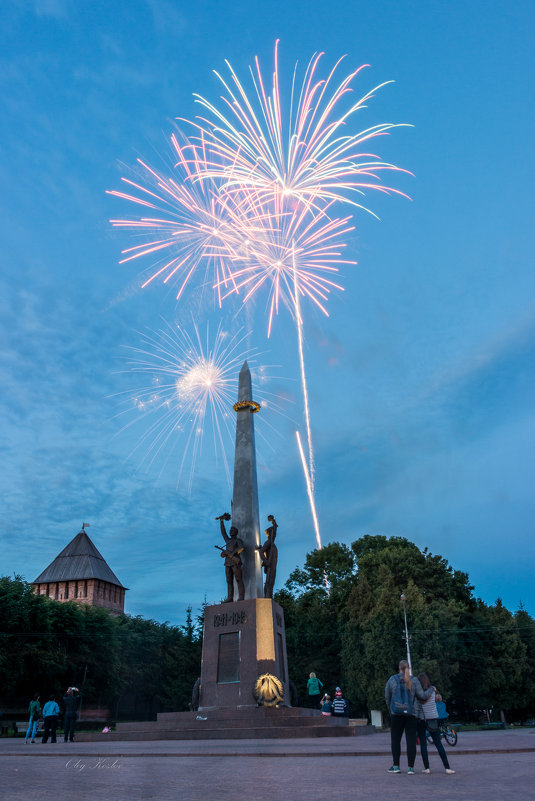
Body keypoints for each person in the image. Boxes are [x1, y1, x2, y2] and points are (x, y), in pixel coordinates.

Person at [384, 660, 434, 775]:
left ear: (399, 668)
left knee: (395, 740)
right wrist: (432, 688)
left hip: (396, 714)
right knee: (411, 741)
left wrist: (392, 711)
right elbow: (422, 695)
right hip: (411, 714)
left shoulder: (392, 679)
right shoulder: (414, 680)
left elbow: (387, 697)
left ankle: (396, 766)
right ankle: (410, 768)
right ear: (409, 668)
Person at [414, 673, 455, 774]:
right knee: (438, 744)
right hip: (432, 719)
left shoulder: (417, 693)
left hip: (421, 720)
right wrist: (433, 688)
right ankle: (447, 768)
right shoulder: (432, 691)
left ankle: (427, 768)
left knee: (423, 744)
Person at [216, 513, 245, 602]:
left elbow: (241, 548)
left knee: (238, 579)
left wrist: (233, 553)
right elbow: (223, 532)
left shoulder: (238, 540)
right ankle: (230, 598)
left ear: (236, 532)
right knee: (229, 581)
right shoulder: (228, 541)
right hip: (227, 562)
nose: (230, 531)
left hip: (235, 562)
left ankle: (241, 596)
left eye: (232, 530)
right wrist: (221, 521)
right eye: (230, 530)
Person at [256, 515, 278, 599]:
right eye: (272, 533)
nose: (274, 535)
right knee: (269, 582)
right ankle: (267, 597)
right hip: (270, 565)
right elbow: (261, 552)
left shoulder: (271, 543)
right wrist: (266, 561)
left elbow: (275, 529)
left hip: (273, 565)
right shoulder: (269, 542)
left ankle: (269, 597)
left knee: (271, 582)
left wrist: (273, 521)